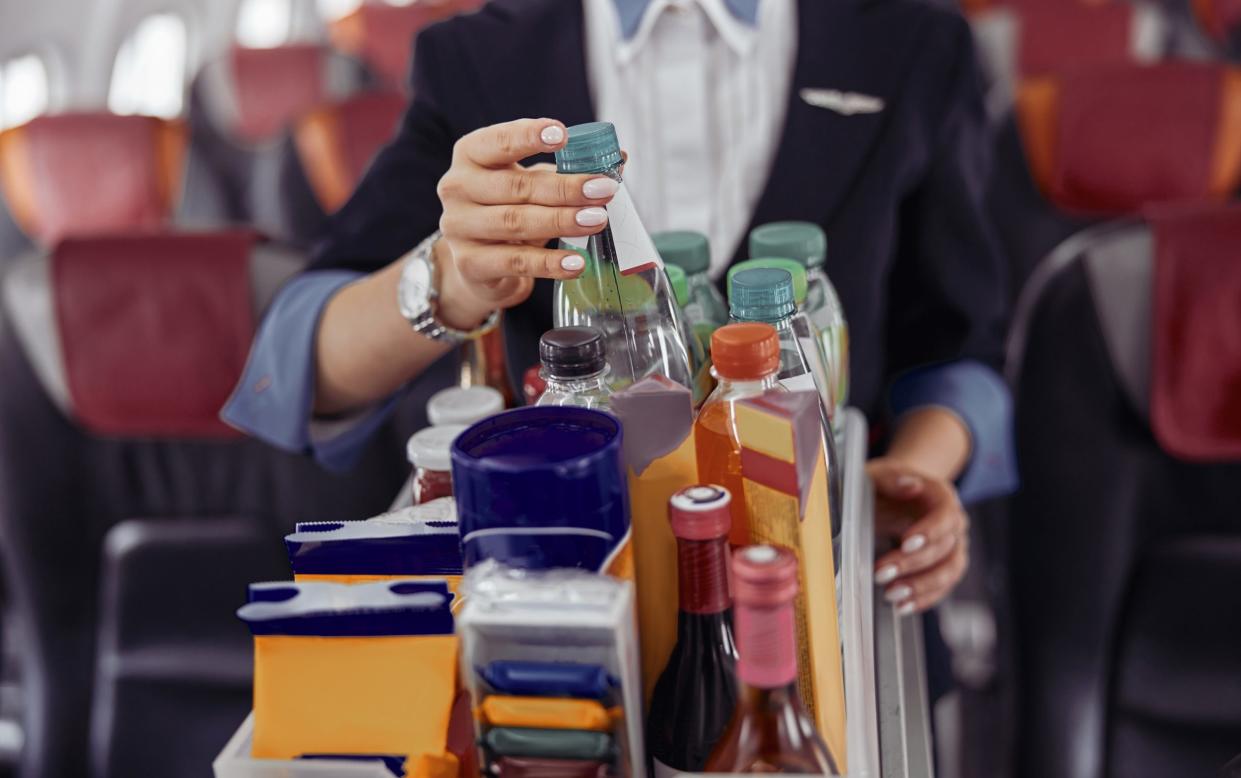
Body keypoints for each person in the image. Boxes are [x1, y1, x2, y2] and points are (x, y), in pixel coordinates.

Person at [224, 0, 1014, 647]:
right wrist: (451, 275)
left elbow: (961, 348)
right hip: (568, 589)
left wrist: (919, 470)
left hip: (828, 576)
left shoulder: (909, 41)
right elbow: (304, 358)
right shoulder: (479, 59)